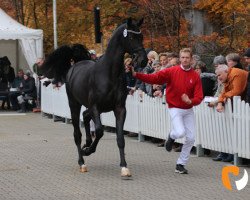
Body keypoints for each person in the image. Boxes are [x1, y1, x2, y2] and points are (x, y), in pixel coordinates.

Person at [131, 48, 203, 174]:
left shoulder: (195, 76)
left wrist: (190, 101)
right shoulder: (172, 71)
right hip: (175, 107)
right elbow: (154, 78)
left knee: (191, 138)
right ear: (180, 58)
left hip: (188, 109)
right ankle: (171, 136)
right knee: (180, 132)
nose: (185, 59)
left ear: (191, 59)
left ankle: (180, 164)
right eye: (183, 57)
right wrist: (136, 75)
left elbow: (199, 96)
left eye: (187, 57)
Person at [213, 64, 248, 162]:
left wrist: (220, 100)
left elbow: (236, 91)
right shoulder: (227, 77)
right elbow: (224, 92)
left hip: (244, 105)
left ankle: (240, 157)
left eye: (219, 75)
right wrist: (220, 102)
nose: (218, 78)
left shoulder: (236, 74)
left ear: (226, 71)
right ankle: (230, 155)